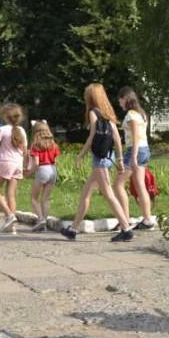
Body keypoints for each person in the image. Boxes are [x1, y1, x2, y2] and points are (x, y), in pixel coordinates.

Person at [60, 84, 134, 242]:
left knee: (108, 194)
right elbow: (116, 138)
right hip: (107, 156)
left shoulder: (94, 113)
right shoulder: (108, 114)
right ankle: (73, 229)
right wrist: (119, 159)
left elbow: (92, 136)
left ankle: (126, 228)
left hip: (99, 159)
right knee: (86, 193)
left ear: (91, 97)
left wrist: (81, 155)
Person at [113, 86, 155, 230]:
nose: (120, 104)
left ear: (125, 98)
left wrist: (134, 156)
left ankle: (125, 219)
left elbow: (136, 136)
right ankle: (148, 219)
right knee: (140, 185)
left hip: (135, 150)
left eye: (120, 101)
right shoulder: (141, 113)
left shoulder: (131, 115)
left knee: (118, 185)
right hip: (145, 149)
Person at [0, 102, 27, 234]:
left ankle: (9, 215)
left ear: (6, 116)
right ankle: (12, 228)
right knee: (11, 195)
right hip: (18, 163)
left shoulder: (3, 130)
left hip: (6, 162)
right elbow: (25, 150)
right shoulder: (22, 131)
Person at [27, 120, 61, 232]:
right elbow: (57, 160)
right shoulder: (53, 144)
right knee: (45, 199)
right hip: (53, 170)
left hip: (42, 170)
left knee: (33, 198)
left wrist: (29, 172)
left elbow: (36, 163)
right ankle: (44, 224)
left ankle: (41, 219)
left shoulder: (36, 145)